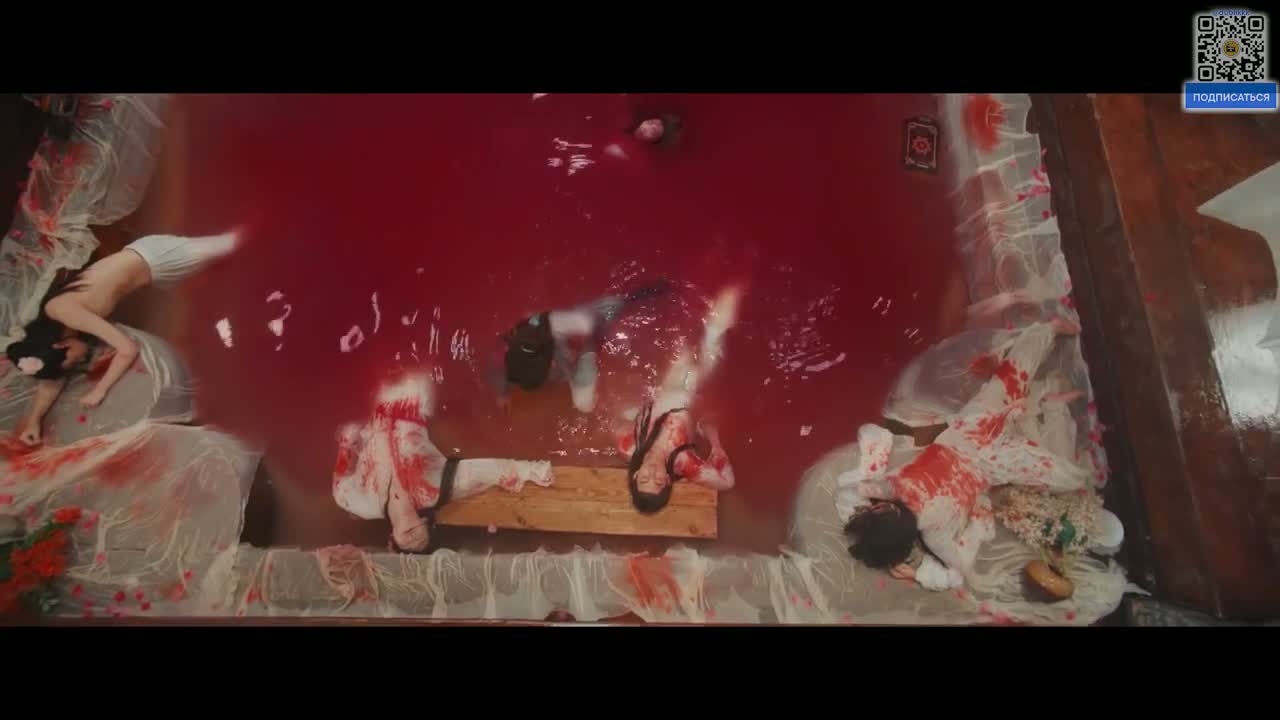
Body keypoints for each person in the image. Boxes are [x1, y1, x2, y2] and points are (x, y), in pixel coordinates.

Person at [840, 317, 1091, 590]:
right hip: (978, 440)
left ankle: (1050, 403)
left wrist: (916, 573)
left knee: (1071, 477)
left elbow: (956, 575)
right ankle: (1048, 332)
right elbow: (870, 439)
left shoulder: (934, 534)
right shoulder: (889, 489)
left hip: (987, 452)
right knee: (1012, 376)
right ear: (882, 510)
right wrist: (866, 475)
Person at [4, 231, 239, 445]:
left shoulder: (67, 314)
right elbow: (52, 382)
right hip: (152, 269)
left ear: (60, 345)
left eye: (73, 360)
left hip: (160, 258)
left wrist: (99, 391)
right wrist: (34, 421)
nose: (79, 360)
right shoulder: (58, 324)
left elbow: (128, 348)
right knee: (229, 268)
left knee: (238, 243)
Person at [333, 373, 553, 553]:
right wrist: (530, 470)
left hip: (373, 404)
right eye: (422, 542)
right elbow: (484, 472)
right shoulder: (433, 490)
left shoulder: (358, 503)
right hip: (412, 396)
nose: (414, 542)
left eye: (408, 548)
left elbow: (340, 478)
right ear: (425, 524)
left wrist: (347, 441)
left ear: (392, 540)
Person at [615, 286, 740, 513]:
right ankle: (736, 283)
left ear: (635, 475)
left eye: (644, 479)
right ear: (667, 480)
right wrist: (714, 440)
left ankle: (690, 291)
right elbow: (727, 482)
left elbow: (614, 420)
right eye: (658, 481)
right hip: (694, 388)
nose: (652, 473)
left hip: (665, 382)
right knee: (715, 328)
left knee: (682, 337)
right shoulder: (683, 462)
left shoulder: (629, 447)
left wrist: (632, 412)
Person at [492, 279, 671, 413]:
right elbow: (503, 366)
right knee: (583, 403)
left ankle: (649, 292)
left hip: (574, 328)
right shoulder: (514, 356)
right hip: (557, 348)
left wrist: (594, 343)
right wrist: (503, 393)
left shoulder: (549, 327)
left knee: (604, 313)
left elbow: (588, 323)